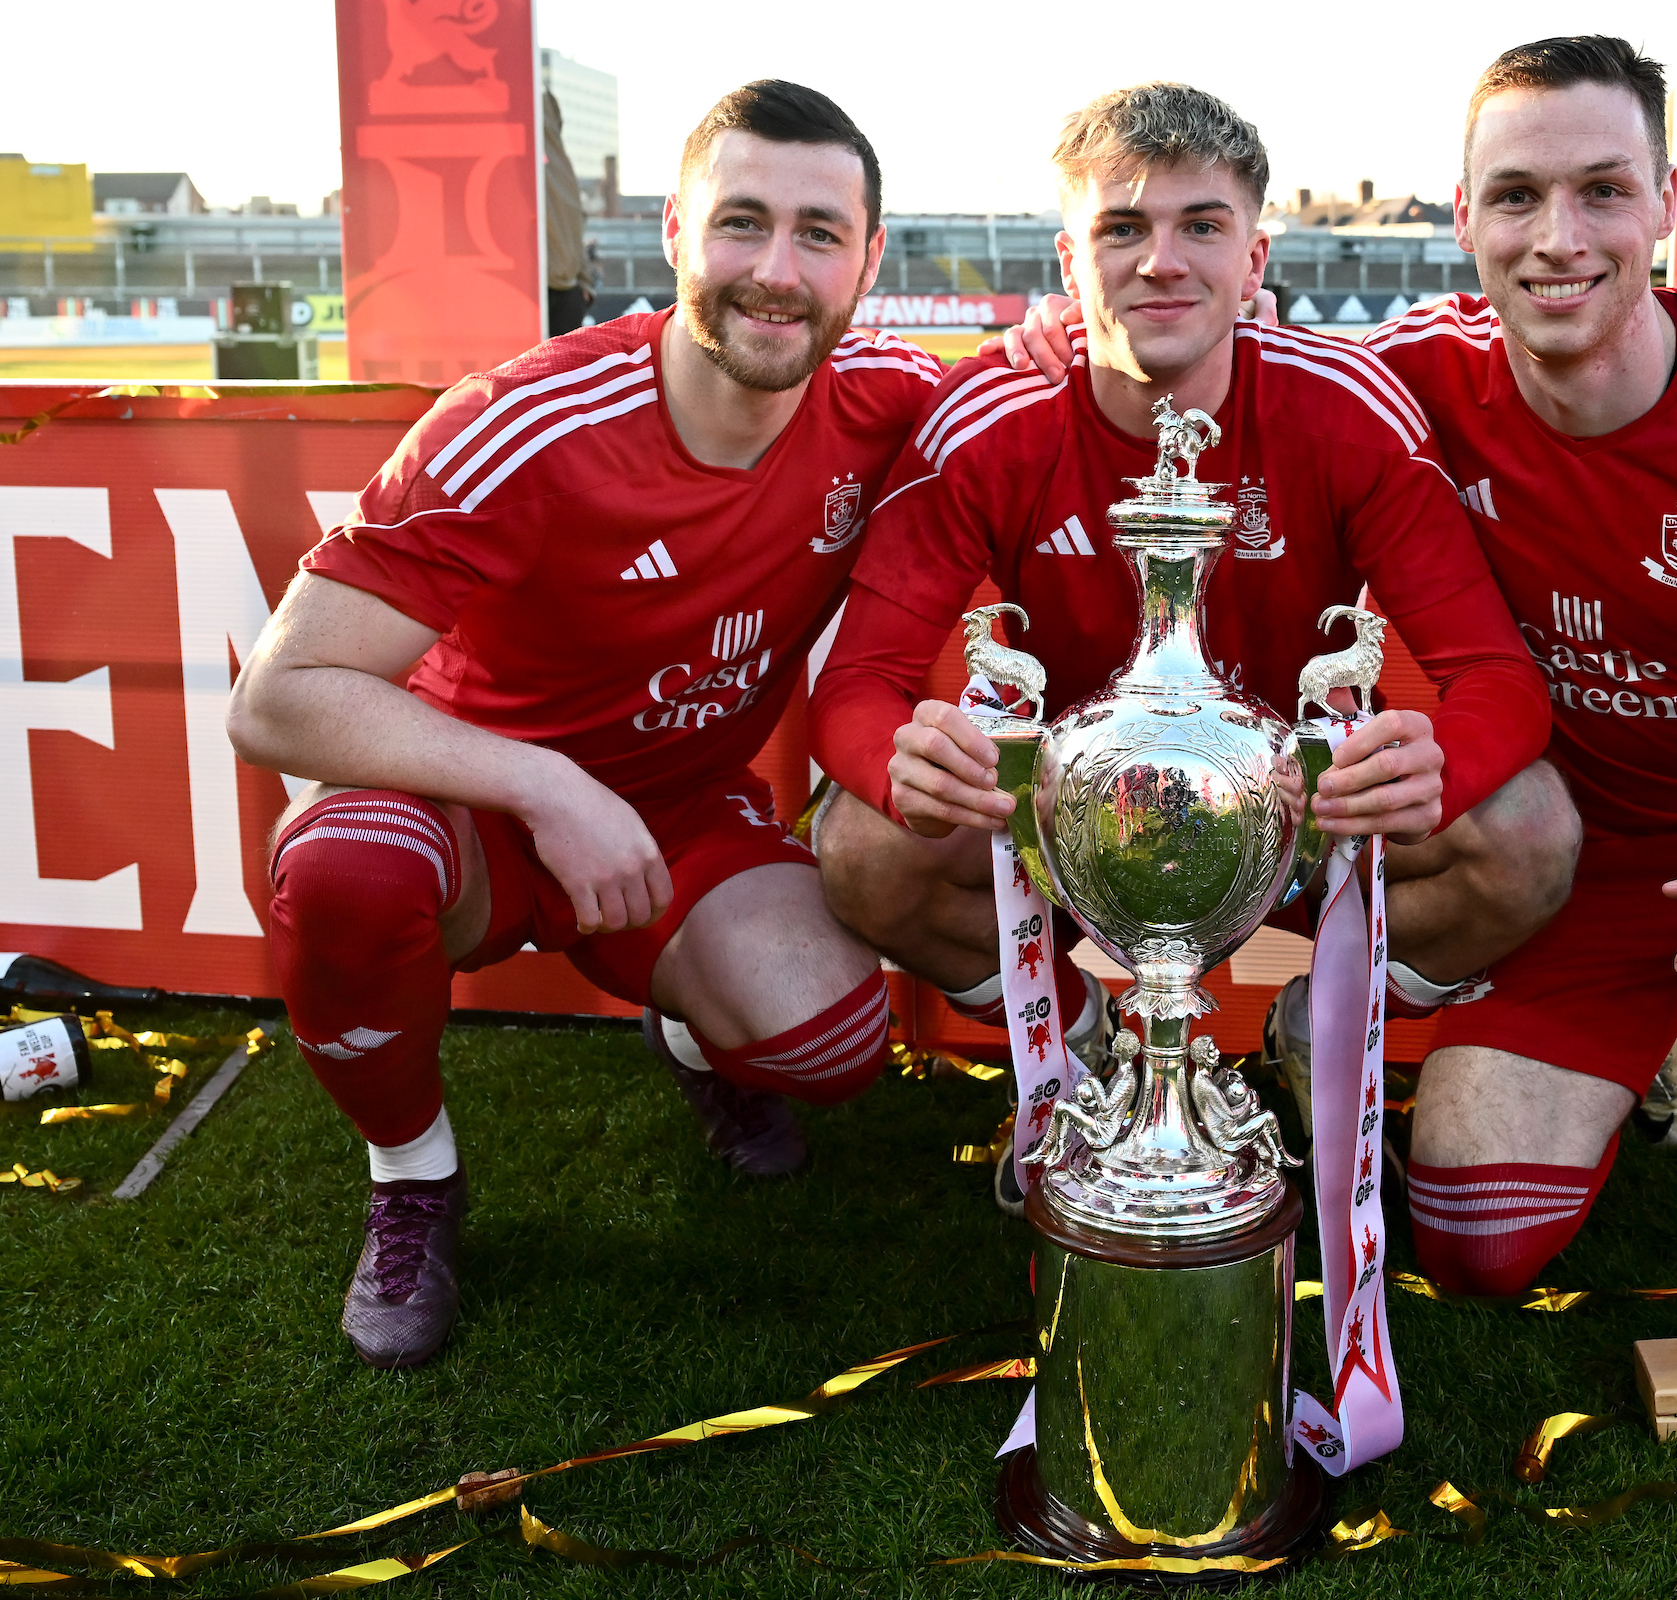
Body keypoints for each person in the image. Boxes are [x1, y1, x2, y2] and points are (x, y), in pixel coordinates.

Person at [989, 37, 1677, 1413]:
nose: (1556, 239)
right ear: (1463, 218)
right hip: (1569, 865)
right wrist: (1061, 331)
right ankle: (1633, 1030)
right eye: (1515, 198)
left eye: (1601, 193)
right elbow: (1206, 347)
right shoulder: (1414, 378)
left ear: (1666, 202)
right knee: (1478, 1245)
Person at [227, 82, 944, 1369]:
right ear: (674, 229)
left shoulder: (890, 400)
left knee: (829, 1040)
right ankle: (413, 1176)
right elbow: (280, 695)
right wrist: (546, 786)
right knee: (345, 871)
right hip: (468, 806)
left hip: (670, 813)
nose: (777, 272)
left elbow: (1059, 402)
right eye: (741, 223)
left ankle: (691, 1026)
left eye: (819, 234)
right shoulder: (525, 419)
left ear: (868, 258)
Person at [808, 83, 1567, 1215]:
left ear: (1254, 259)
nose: (1162, 260)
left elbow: (1499, 680)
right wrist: (896, 763)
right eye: (1124, 227)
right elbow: (856, 691)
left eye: (1200, 225)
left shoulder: (1347, 406)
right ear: (1071, 262)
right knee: (863, 841)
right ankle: (1084, 1063)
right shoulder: (992, 417)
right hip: (1077, 819)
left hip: (1290, 815)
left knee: (1528, 829)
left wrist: (1434, 767)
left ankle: (1320, 1028)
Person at [544, 90, 596, 337]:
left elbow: (575, 222)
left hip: (564, 292)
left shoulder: (557, 162)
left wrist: (584, 284)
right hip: (533, 290)